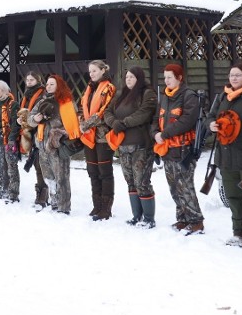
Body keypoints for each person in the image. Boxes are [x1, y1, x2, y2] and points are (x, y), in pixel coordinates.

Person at [206, 63, 242, 246]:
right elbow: (210, 116)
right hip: (225, 155)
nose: (233, 78)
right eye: (231, 75)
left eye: (238, 75)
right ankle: (237, 231)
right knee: (233, 196)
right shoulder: (223, 96)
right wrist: (211, 125)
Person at [154, 64, 205, 235]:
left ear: (179, 78)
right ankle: (182, 219)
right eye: (165, 77)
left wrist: (165, 134)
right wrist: (155, 133)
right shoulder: (165, 96)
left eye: (170, 77)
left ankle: (196, 221)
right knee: (173, 186)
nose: (166, 80)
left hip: (183, 149)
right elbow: (156, 118)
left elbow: (187, 121)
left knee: (185, 186)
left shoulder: (188, 96)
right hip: (167, 149)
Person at [104, 66, 158, 227]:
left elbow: (144, 113)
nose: (128, 80)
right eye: (127, 77)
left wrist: (123, 123)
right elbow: (107, 111)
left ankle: (149, 218)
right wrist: (114, 123)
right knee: (130, 181)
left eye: (132, 77)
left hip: (141, 145)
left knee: (142, 181)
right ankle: (136, 215)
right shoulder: (121, 94)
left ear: (139, 78)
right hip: (123, 145)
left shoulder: (147, 94)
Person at [28, 74, 81, 214]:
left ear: (59, 85)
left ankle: (64, 208)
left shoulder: (66, 102)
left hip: (58, 146)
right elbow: (29, 119)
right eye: (47, 84)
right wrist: (35, 118)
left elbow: (73, 125)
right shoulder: (41, 101)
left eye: (52, 84)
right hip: (42, 146)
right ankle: (54, 203)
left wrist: (57, 133)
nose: (48, 86)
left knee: (61, 177)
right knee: (48, 177)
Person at [79, 60, 117, 220]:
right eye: (90, 71)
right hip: (89, 136)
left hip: (102, 136)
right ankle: (97, 205)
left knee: (105, 172)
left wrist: (87, 124)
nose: (92, 74)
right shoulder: (89, 89)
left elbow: (105, 111)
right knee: (92, 172)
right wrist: (81, 121)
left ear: (103, 70)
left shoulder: (109, 88)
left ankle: (106, 208)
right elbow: (82, 107)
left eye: (94, 70)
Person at [17, 71, 48, 207]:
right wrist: (20, 120)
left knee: (41, 165)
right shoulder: (27, 95)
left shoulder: (42, 94)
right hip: (29, 131)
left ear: (38, 80)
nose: (29, 82)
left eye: (31, 80)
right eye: (27, 80)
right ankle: (40, 192)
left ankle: (44, 193)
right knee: (37, 164)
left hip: (40, 132)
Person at [0, 80, 20, 203]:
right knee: (1, 164)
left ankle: (13, 192)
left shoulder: (12, 104)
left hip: (8, 138)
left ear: (4, 90)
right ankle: (3, 188)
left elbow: (15, 124)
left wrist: (12, 139)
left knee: (11, 165)